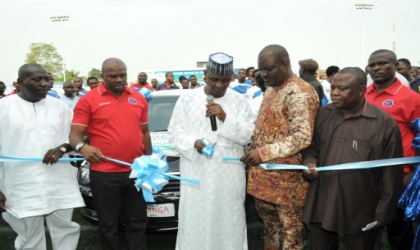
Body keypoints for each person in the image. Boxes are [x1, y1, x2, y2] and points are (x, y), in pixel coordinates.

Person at [302, 67, 404, 250]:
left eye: (342, 89)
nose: (335, 93)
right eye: (333, 88)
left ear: (361, 90)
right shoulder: (323, 114)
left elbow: (391, 173)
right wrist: (310, 163)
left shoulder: (384, 123)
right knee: (321, 244)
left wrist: (383, 211)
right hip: (323, 197)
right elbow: (312, 149)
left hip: (361, 204)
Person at [168, 52, 254, 250]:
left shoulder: (240, 102)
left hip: (228, 177)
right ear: (205, 74)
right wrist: (194, 143)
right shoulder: (186, 100)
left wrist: (225, 117)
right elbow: (174, 134)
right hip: (196, 175)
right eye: (213, 79)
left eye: (224, 80)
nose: (218, 85)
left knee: (229, 223)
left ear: (231, 76)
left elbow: (247, 136)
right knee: (194, 224)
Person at [242, 45, 319, 249]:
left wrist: (262, 153)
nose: (263, 74)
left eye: (269, 69)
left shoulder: (300, 92)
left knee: (291, 235)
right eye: (261, 69)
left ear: (285, 65)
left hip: (288, 183)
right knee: (270, 232)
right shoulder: (271, 90)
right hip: (263, 179)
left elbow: (302, 137)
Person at [0, 63, 84, 250]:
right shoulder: (3, 107)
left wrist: (62, 148)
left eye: (47, 79)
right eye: (38, 79)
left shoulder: (60, 107)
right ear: (20, 83)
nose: (45, 83)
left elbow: (76, 136)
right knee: (29, 235)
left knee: (65, 229)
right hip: (21, 185)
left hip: (59, 181)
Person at [70, 58, 151, 250]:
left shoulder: (138, 98)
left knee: (138, 221)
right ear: (102, 76)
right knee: (108, 225)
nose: (119, 79)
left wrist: (150, 159)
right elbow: (74, 135)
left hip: (136, 171)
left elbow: (145, 132)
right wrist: (83, 147)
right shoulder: (88, 99)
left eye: (122, 75)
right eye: (112, 76)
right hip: (104, 174)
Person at [365, 49, 420, 250]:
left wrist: (412, 171)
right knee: (368, 224)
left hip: (398, 173)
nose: (376, 68)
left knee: (398, 229)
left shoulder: (411, 98)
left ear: (395, 66)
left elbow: (418, 135)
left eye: (382, 63)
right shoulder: (363, 94)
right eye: (372, 65)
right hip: (366, 172)